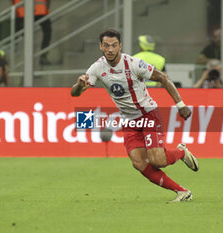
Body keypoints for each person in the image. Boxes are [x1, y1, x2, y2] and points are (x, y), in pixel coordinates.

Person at [71, 29, 199, 203]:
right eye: (106, 45)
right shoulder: (97, 67)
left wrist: (180, 104)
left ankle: (181, 152)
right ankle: (182, 192)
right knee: (139, 163)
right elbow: (75, 94)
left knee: (157, 160)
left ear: (120, 46)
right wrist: (79, 85)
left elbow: (163, 77)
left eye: (114, 45)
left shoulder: (133, 64)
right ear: (100, 46)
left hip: (148, 114)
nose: (110, 49)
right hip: (128, 120)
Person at [12, 0, 52, 65]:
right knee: (46, 32)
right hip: (36, 10)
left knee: (24, 35)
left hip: (25, 11)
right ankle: (42, 57)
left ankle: (38, 57)